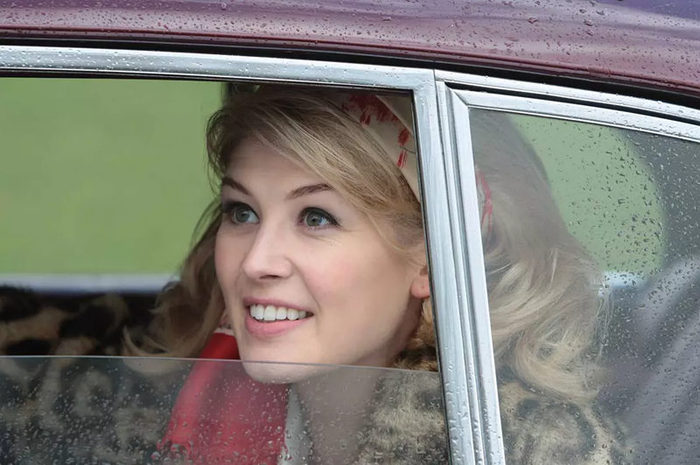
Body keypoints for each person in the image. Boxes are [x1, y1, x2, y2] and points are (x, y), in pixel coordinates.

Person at [126, 86, 628, 464]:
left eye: (316, 218)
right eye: (242, 212)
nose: (256, 262)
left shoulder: (534, 450)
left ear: (433, 257)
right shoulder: (155, 414)